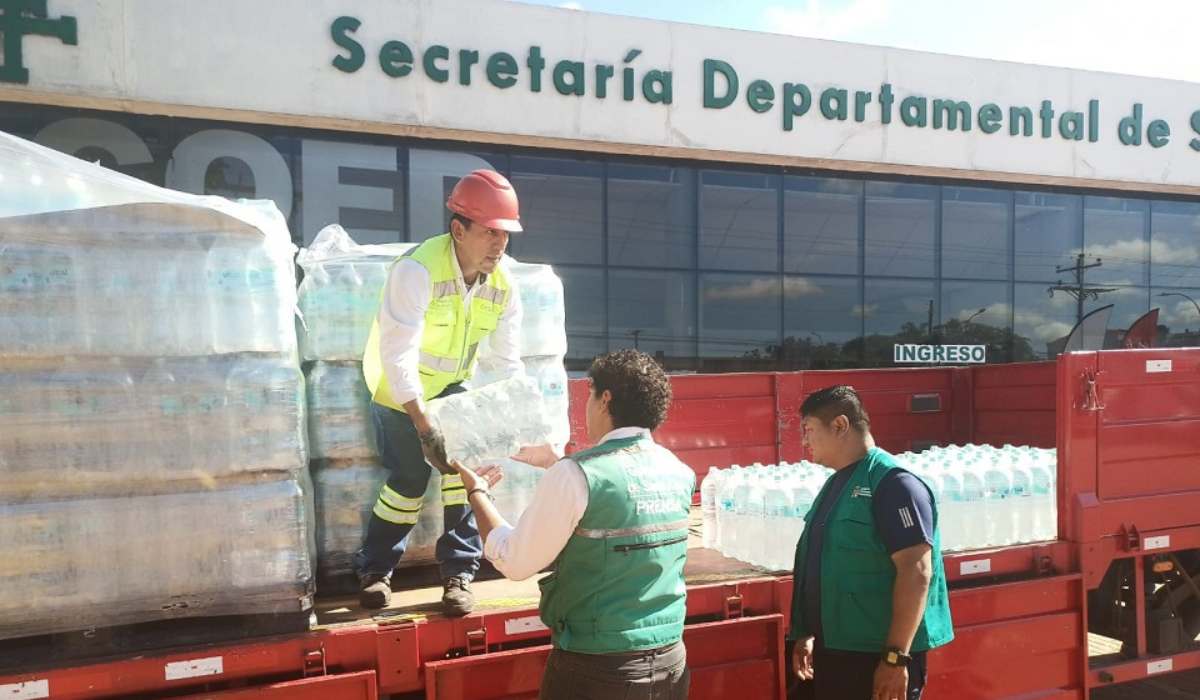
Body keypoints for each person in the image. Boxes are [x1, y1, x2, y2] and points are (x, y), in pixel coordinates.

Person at [451, 349, 695, 700]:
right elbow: (618, 501)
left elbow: (514, 560)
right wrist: (555, 463)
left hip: (598, 670)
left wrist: (477, 492)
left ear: (605, 400)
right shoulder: (677, 470)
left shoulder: (577, 475)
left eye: (590, 395)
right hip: (671, 663)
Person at [355, 169, 525, 614]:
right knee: (408, 481)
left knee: (461, 475)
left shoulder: (504, 284)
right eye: (489, 232)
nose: (499, 244)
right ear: (458, 230)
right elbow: (398, 355)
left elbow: (507, 362)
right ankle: (375, 571)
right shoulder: (417, 270)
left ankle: (459, 575)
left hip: (451, 389)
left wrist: (517, 420)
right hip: (399, 391)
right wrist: (423, 425)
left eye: (505, 234)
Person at [787, 385, 954, 700]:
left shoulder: (895, 484)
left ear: (840, 425)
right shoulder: (837, 483)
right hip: (838, 652)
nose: (804, 441)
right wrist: (807, 632)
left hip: (875, 657)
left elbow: (916, 572)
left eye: (808, 430)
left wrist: (895, 658)